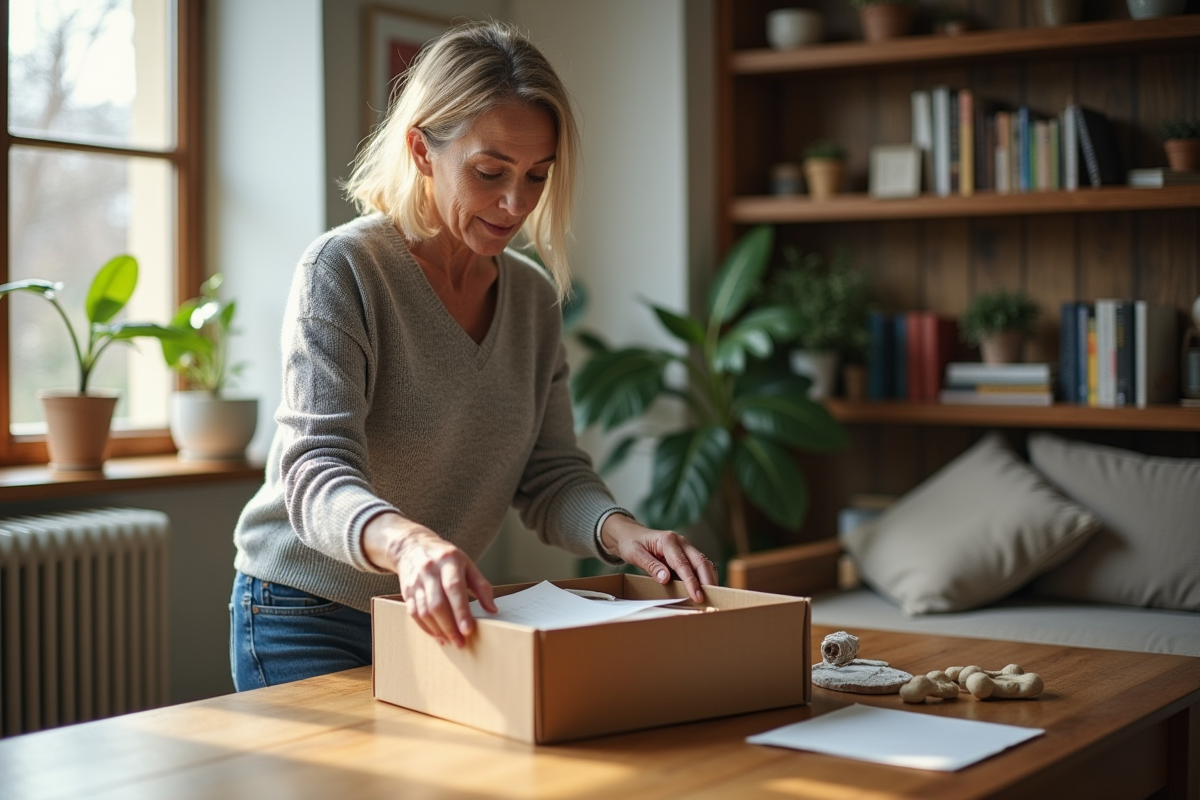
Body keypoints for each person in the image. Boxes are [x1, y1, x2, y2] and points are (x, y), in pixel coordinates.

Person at [229, 19, 719, 691]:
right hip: (302, 612)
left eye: (537, 177)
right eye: (490, 172)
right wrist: (412, 545)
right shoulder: (343, 270)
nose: (515, 203)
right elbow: (312, 472)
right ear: (422, 151)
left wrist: (622, 533)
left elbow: (549, 474)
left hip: (434, 613)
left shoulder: (534, 299)